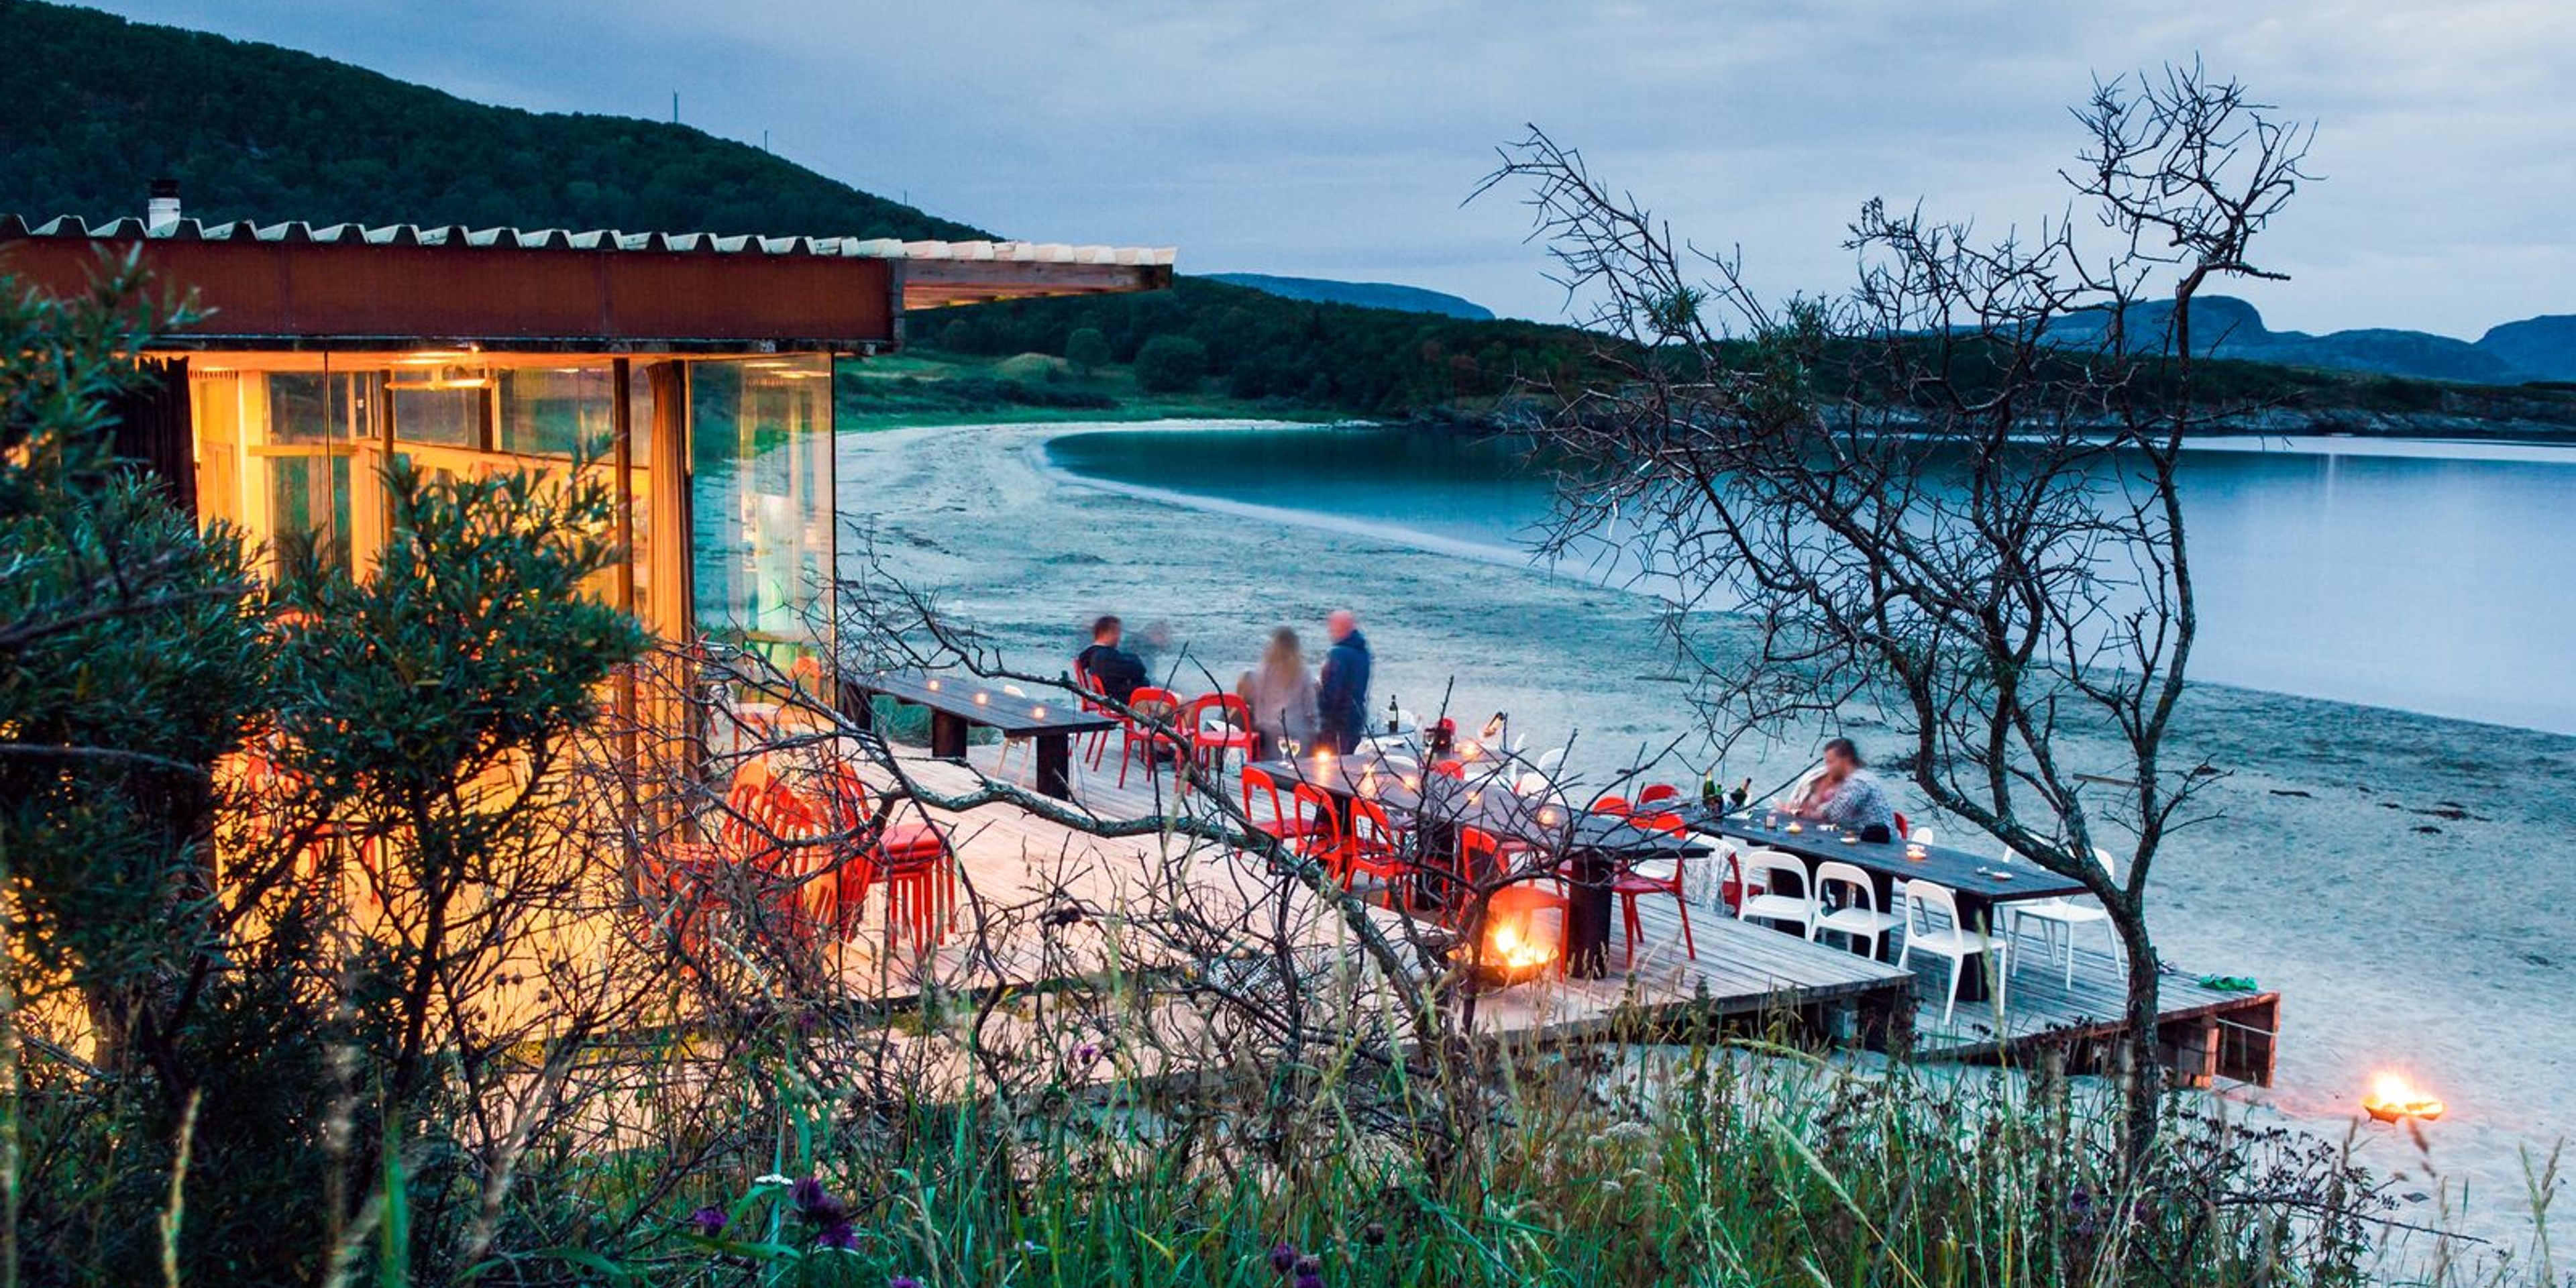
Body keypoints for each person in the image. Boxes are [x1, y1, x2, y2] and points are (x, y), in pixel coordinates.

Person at [1235, 626, 1319, 759]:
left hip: (1270, 729)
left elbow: (1258, 697)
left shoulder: (1265, 669)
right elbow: (1310, 705)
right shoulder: (1302, 671)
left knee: (1273, 769)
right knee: (1295, 770)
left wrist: (1260, 720)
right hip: (1297, 729)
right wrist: (1314, 727)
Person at [1787, 737, 1896, 837]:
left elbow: (1835, 815)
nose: (1827, 768)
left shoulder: (1859, 782)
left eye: (1831, 762)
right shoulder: (1850, 780)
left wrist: (1801, 812)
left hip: (1879, 843)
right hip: (1859, 837)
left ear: (1845, 760)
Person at [1314, 608, 1372, 753]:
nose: (1329, 630)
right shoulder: (1363, 652)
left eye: (1332, 626)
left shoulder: (1337, 654)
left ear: (1341, 628)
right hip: (1356, 721)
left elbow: (1331, 695)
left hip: (1337, 726)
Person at [1073, 614, 1147, 706]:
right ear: (1110, 633)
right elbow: (1139, 670)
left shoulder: (1089, 656)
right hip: (1121, 704)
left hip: (1105, 701)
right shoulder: (1105, 657)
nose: (1119, 638)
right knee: (1167, 706)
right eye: (1118, 633)